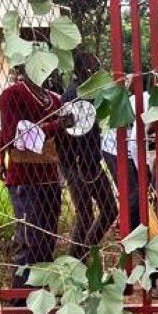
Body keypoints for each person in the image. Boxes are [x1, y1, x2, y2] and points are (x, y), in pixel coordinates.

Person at [0, 66, 70, 287]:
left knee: (47, 242)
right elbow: (12, 135)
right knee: (30, 242)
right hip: (25, 180)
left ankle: (40, 302)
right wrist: (56, 126)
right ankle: (19, 304)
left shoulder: (54, 101)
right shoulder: (12, 95)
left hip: (49, 178)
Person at [56, 51, 117, 257]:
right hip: (76, 163)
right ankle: (76, 261)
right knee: (85, 215)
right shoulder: (73, 94)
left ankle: (85, 251)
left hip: (90, 162)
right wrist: (77, 162)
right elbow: (68, 133)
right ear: (86, 70)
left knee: (109, 210)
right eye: (95, 68)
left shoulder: (90, 92)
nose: (98, 72)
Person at [101, 87, 146, 233]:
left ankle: (135, 224)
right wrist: (142, 168)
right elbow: (134, 143)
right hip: (114, 149)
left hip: (129, 148)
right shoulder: (144, 104)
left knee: (138, 192)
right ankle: (131, 232)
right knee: (133, 193)